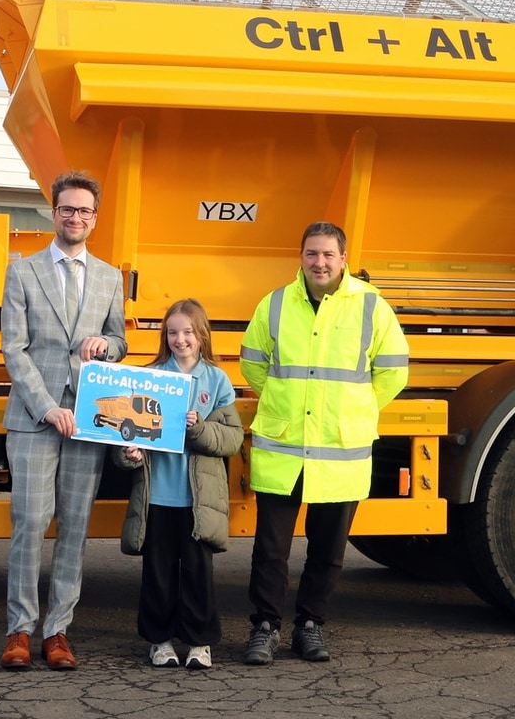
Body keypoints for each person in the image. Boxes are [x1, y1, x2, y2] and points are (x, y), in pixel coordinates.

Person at [238, 221, 408, 664]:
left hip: (339, 449)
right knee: (270, 549)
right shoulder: (275, 303)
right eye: (312, 253)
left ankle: (310, 626)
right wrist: (284, 403)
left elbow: (393, 371)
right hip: (284, 448)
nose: (320, 262)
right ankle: (265, 627)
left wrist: (355, 408)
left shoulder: (371, 306)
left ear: (343, 259)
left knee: (328, 550)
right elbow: (252, 364)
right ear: (301, 257)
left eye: (328, 254)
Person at [0, 171, 127, 671]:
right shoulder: (22, 272)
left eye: (85, 211)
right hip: (36, 417)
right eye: (68, 209)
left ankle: (57, 631)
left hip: (90, 419)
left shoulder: (110, 277)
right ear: (53, 213)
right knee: (30, 523)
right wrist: (46, 406)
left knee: (74, 526)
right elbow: (14, 349)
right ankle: (19, 628)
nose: (76, 217)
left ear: (95, 219)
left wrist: (106, 345)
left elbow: (119, 341)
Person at [117, 299, 244, 670]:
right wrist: (130, 454)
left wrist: (199, 429)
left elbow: (232, 439)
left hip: (197, 500)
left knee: (197, 573)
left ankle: (199, 643)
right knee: (157, 573)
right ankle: (159, 642)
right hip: (157, 495)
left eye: (188, 332)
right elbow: (123, 442)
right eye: (172, 332)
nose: (180, 339)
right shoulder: (150, 377)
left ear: (202, 334)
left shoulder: (216, 381)